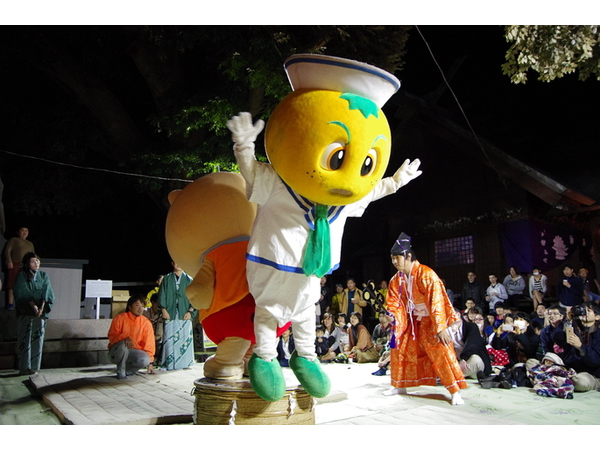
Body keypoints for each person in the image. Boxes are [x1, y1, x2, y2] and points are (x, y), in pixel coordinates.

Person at [384, 232, 467, 405]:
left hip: (432, 320)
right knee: (397, 344)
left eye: (397, 258)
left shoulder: (426, 274)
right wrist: (394, 318)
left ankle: (454, 390)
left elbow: (437, 301)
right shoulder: (396, 280)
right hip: (410, 321)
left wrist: (441, 327)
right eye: (392, 258)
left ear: (408, 256)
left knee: (441, 352)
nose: (394, 262)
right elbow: (395, 303)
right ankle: (399, 384)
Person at [13, 252, 54, 375]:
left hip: (40, 313)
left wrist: (41, 307)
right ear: (27, 264)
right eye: (32, 261)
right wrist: (33, 306)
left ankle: (35, 367)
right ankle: (24, 367)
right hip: (26, 311)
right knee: (25, 338)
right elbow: (22, 291)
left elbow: (47, 291)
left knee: (38, 338)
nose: (36, 263)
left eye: (37, 261)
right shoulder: (21, 275)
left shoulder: (43, 275)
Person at [158, 261, 197, 370]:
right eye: (176, 262)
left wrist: (190, 311)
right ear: (172, 263)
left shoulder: (190, 279)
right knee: (169, 338)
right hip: (170, 312)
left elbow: (194, 297)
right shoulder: (166, 278)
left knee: (185, 338)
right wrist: (163, 309)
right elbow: (162, 294)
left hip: (184, 312)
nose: (178, 264)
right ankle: (169, 363)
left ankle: (185, 363)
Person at [107, 294, 156, 379]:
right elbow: (112, 336)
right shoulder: (120, 318)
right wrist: (124, 338)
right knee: (123, 345)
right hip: (116, 352)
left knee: (145, 359)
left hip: (133, 352)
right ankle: (121, 372)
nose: (140, 308)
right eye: (137, 305)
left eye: (142, 306)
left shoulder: (146, 323)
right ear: (130, 307)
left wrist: (150, 362)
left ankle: (128, 371)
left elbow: (149, 343)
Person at [561, 301, 600, 391]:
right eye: (582, 309)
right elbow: (557, 338)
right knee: (532, 364)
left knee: (581, 382)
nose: (584, 312)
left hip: (591, 376)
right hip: (571, 371)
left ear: (597, 317)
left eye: (588, 310)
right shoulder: (574, 330)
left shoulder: (598, 335)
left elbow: (595, 361)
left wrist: (580, 347)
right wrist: (569, 320)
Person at [447, 307, 493, 379]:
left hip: (471, 363)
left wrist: (464, 359)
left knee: (476, 359)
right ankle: (455, 374)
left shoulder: (471, 326)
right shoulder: (446, 330)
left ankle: (451, 376)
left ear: (458, 315)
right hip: (458, 364)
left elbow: (472, 345)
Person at [3, 227, 35, 311]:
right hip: (15, 264)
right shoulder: (14, 240)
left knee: (24, 285)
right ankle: (10, 303)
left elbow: (33, 255)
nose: (24, 232)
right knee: (12, 283)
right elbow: (7, 250)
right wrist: (9, 261)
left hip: (26, 267)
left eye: (26, 231)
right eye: (22, 230)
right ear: (18, 232)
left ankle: (22, 304)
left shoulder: (30, 243)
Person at [142, 291, 164, 366]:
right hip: (145, 338)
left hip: (158, 338)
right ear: (153, 302)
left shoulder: (163, 314)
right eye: (158, 303)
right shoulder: (144, 313)